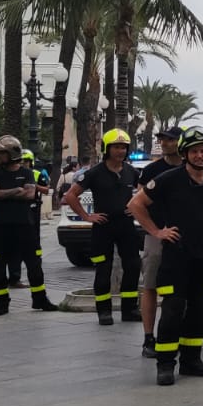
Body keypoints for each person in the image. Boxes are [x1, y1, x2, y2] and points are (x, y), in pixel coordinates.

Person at [128, 127, 203, 386]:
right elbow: (135, 205)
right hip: (176, 259)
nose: (201, 155)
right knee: (173, 309)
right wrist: (156, 231)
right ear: (185, 154)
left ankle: (191, 360)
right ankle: (165, 364)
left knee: (199, 310)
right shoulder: (168, 179)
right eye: (195, 151)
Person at [65, 129, 144, 327]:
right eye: (116, 147)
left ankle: (130, 309)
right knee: (103, 270)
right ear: (107, 149)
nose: (120, 151)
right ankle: (104, 312)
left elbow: (143, 191)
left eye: (124, 148)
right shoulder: (94, 173)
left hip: (126, 227)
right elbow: (71, 195)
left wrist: (136, 208)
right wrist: (87, 216)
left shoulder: (131, 172)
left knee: (133, 267)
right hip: (103, 227)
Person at [0, 135, 55, 315]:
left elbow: (29, 194)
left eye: (1, 153)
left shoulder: (27, 173)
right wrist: (16, 190)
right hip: (0, 225)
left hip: (24, 224)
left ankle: (40, 299)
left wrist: (6, 193)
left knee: (34, 262)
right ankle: (1, 302)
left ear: (11, 153)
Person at [137, 127, 185, 358]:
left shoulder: (193, 168)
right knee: (151, 286)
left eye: (170, 139)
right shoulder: (151, 170)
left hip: (188, 239)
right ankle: (149, 338)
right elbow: (136, 204)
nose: (164, 143)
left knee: (185, 289)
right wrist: (155, 231)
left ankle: (182, 335)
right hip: (157, 238)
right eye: (162, 139)